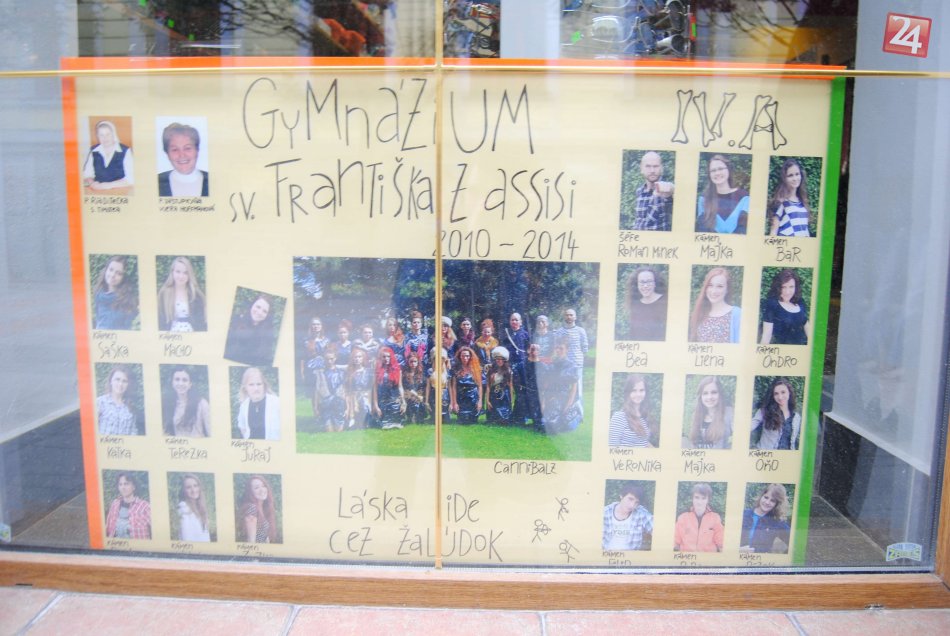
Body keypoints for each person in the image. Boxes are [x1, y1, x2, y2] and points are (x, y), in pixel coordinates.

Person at [696, 154, 749, 234]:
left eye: (720, 169)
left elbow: (744, 230)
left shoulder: (744, 197)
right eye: (713, 170)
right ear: (709, 175)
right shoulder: (704, 199)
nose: (717, 173)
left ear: (728, 170)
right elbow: (702, 231)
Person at [539, 340, 582, 434]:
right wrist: (543, 402)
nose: (558, 350)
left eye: (561, 348)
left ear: (567, 349)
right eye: (557, 348)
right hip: (550, 397)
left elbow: (573, 390)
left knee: (551, 425)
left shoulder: (572, 366)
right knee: (543, 423)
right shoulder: (552, 365)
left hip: (563, 398)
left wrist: (567, 406)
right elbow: (546, 386)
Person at [689, 267, 742, 343]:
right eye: (710, 285)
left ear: (727, 289)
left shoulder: (737, 314)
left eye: (720, 286)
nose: (714, 291)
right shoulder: (700, 313)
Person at [224, 294, 276, 366]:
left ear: (268, 315)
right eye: (258, 307)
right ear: (252, 305)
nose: (259, 312)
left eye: (264, 311)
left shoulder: (267, 334)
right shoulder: (235, 322)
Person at [157, 122, 209, 197]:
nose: (181, 155)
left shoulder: (213, 180)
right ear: (167, 153)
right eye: (175, 149)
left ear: (197, 150)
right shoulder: (156, 182)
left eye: (187, 148)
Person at [750, 378, 802, 450]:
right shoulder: (765, 411)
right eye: (776, 394)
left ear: (789, 393)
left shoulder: (797, 417)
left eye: (783, 392)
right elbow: (751, 425)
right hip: (766, 455)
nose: (780, 397)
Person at [760, 269, 809, 345]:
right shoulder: (772, 304)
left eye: (791, 287)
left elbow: (807, 327)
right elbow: (766, 335)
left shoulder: (800, 302)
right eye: (783, 287)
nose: (787, 292)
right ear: (778, 287)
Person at [157, 256, 206, 332]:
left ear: (189, 275)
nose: (181, 276)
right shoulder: (164, 293)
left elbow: (201, 322)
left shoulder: (196, 294)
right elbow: (160, 321)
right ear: (172, 272)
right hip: (170, 336)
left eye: (185, 273)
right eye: (178, 272)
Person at [82, 120, 133, 190]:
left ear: (113, 134)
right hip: (98, 191)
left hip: (120, 191)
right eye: (101, 135)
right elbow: (87, 174)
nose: (105, 138)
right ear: (97, 136)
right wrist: (92, 183)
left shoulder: (125, 151)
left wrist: (105, 186)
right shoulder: (93, 151)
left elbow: (131, 179)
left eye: (108, 134)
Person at [741, 483, 791, 553]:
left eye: (772, 501)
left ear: (777, 504)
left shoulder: (776, 522)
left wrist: (781, 557)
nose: (767, 502)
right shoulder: (743, 514)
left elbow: (795, 543)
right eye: (766, 497)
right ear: (761, 496)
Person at [674, 482, 724, 552]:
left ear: (708, 500)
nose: (699, 502)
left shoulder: (715, 518)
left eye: (703, 498)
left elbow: (721, 545)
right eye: (696, 497)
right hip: (687, 558)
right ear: (692, 498)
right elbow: (675, 543)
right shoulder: (682, 518)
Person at [608, 374, 656, 448]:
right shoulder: (619, 417)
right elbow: (612, 447)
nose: (638, 394)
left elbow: (643, 442)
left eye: (641, 390)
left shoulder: (644, 415)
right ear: (628, 393)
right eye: (634, 390)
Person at [685, 376, 733, 449]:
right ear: (700, 396)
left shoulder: (729, 413)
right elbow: (693, 443)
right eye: (705, 393)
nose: (709, 397)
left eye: (714, 392)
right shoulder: (696, 415)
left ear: (720, 394)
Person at [602, 483, 654, 550]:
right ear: (621, 496)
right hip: (607, 554)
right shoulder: (605, 512)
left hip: (631, 555)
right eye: (630, 499)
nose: (632, 505)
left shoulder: (641, 514)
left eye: (636, 502)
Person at [162, 366, 210, 438]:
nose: (180, 383)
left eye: (184, 380)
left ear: (190, 384)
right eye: (177, 379)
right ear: (172, 383)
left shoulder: (202, 404)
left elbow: (211, 432)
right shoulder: (167, 404)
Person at [631, 151, 674, 231]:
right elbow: (638, 220)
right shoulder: (639, 191)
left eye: (656, 166)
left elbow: (672, 195)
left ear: (661, 168)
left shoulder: (665, 191)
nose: (652, 170)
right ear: (641, 169)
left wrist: (671, 191)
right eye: (648, 166)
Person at [770, 158, 812, 237]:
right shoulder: (781, 202)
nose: (795, 179)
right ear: (784, 179)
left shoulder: (802, 202)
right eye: (790, 175)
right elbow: (773, 232)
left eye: (797, 174)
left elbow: (805, 230)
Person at [93, 255, 138, 330]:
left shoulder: (127, 300)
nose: (112, 275)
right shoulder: (98, 294)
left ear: (123, 277)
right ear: (106, 270)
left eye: (118, 273)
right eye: (111, 270)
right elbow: (98, 320)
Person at [502, 312, 531, 424]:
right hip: (509, 365)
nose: (514, 322)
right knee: (510, 389)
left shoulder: (525, 334)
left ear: (520, 322)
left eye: (516, 320)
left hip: (522, 365)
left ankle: (524, 414)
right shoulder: (506, 334)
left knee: (523, 390)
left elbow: (528, 350)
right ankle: (510, 413)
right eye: (512, 320)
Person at [236, 367, 280, 441]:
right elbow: (242, 426)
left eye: (259, 384)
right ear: (245, 387)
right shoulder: (244, 406)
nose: (256, 388)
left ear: (264, 385)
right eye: (251, 384)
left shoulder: (277, 403)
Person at [96, 365, 141, 436]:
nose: (120, 384)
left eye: (124, 381)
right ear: (111, 381)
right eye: (117, 379)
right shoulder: (100, 402)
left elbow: (133, 432)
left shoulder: (131, 407)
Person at [626, 266, 668, 341]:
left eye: (649, 281)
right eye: (642, 282)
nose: (645, 286)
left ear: (655, 283)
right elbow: (633, 334)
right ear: (637, 284)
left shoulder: (666, 301)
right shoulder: (635, 305)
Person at [105, 472, 151, 539]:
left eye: (126, 484)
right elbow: (107, 528)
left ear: (134, 487)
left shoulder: (144, 506)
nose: (123, 487)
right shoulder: (115, 504)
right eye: (120, 484)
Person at [556, 308, 588, 398]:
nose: (569, 317)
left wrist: (579, 358)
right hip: (564, 364)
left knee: (578, 390)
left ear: (575, 317)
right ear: (564, 317)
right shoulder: (559, 331)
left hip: (577, 363)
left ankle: (578, 407)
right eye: (567, 315)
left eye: (571, 315)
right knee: (563, 389)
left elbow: (585, 347)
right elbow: (557, 347)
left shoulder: (581, 331)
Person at [314, 346, 347, 432]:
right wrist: (316, 407)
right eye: (327, 359)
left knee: (338, 431)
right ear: (324, 359)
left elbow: (346, 390)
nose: (329, 361)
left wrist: (347, 407)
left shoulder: (341, 372)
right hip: (326, 403)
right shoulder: (321, 373)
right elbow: (317, 391)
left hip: (339, 403)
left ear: (335, 358)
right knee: (329, 431)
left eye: (331, 359)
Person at [373, 347, 406, 430]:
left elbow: (400, 386)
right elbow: (375, 389)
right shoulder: (377, 371)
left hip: (395, 400)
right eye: (384, 356)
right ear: (381, 358)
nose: (386, 358)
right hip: (382, 401)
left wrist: (403, 402)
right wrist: (376, 406)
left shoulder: (398, 370)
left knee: (396, 423)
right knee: (384, 424)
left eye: (388, 356)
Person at [240, 475, 278, 544]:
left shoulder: (263, 508)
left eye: (263, 486)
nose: (262, 490)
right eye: (256, 488)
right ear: (250, 492)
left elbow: (265, 537)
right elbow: (251, 541)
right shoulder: (251, 509)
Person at [449, 346, 482, 424]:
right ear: (459, 357)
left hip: (473, 398)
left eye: (467, 356)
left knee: (473, 421)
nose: (465, 358)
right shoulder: (455, 369)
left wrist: (480, 401)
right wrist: (454, 403)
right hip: (461, 398)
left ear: (470, 356)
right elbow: (453, 387)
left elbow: (480, 386)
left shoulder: (475, 369)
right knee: (462, 420)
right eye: (463, 356)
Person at [176, 474, 211, 542]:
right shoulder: (183, 509)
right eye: (188, 487)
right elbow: (186, 538)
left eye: (195, 486)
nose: (193, 490)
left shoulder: (200, 507)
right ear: (183, 491)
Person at [345, 347, 373, 429]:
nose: (357, 359)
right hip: (354, 397)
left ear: (363, 358)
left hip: (366, 396)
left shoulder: (368, 372)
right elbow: (348, 389)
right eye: (355, 357)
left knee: (365, 407)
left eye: (359, 357)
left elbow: (371, 387)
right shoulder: (349, 373)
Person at [485, 347, 513, 425]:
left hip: (504, 396)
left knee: (504, 418)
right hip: (493, 395)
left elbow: (510, 386)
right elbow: (488, 386)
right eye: (497, 359)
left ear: (504, 360)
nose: (499, 361)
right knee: (493, 418)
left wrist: (511, 400)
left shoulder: (508, 371)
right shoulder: (490, 370)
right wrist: (487, 401)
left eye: (501, 359)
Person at [402, 352, 428, 424]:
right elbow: (407, 388)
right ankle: (411, 416)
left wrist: (421, 395)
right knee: (412, 399)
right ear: (408, 362)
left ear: (418, 362)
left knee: (420, 399)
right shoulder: (405, 373)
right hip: (408, 393)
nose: (413, 363)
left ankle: (419, 416)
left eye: (415, 361)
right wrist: (417, 395)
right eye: (411, 361)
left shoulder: (421, 372)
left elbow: (424, 386)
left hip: (420, 393)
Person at [426, 348, 451, 423]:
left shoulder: (447, 372)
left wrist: (452, 402)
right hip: (434, 394)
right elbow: (428, 387)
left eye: (442, 358)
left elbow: (450, 387)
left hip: (444, 395)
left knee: (445, 419)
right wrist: (426, 401)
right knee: (435, 418)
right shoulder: (430, 371)